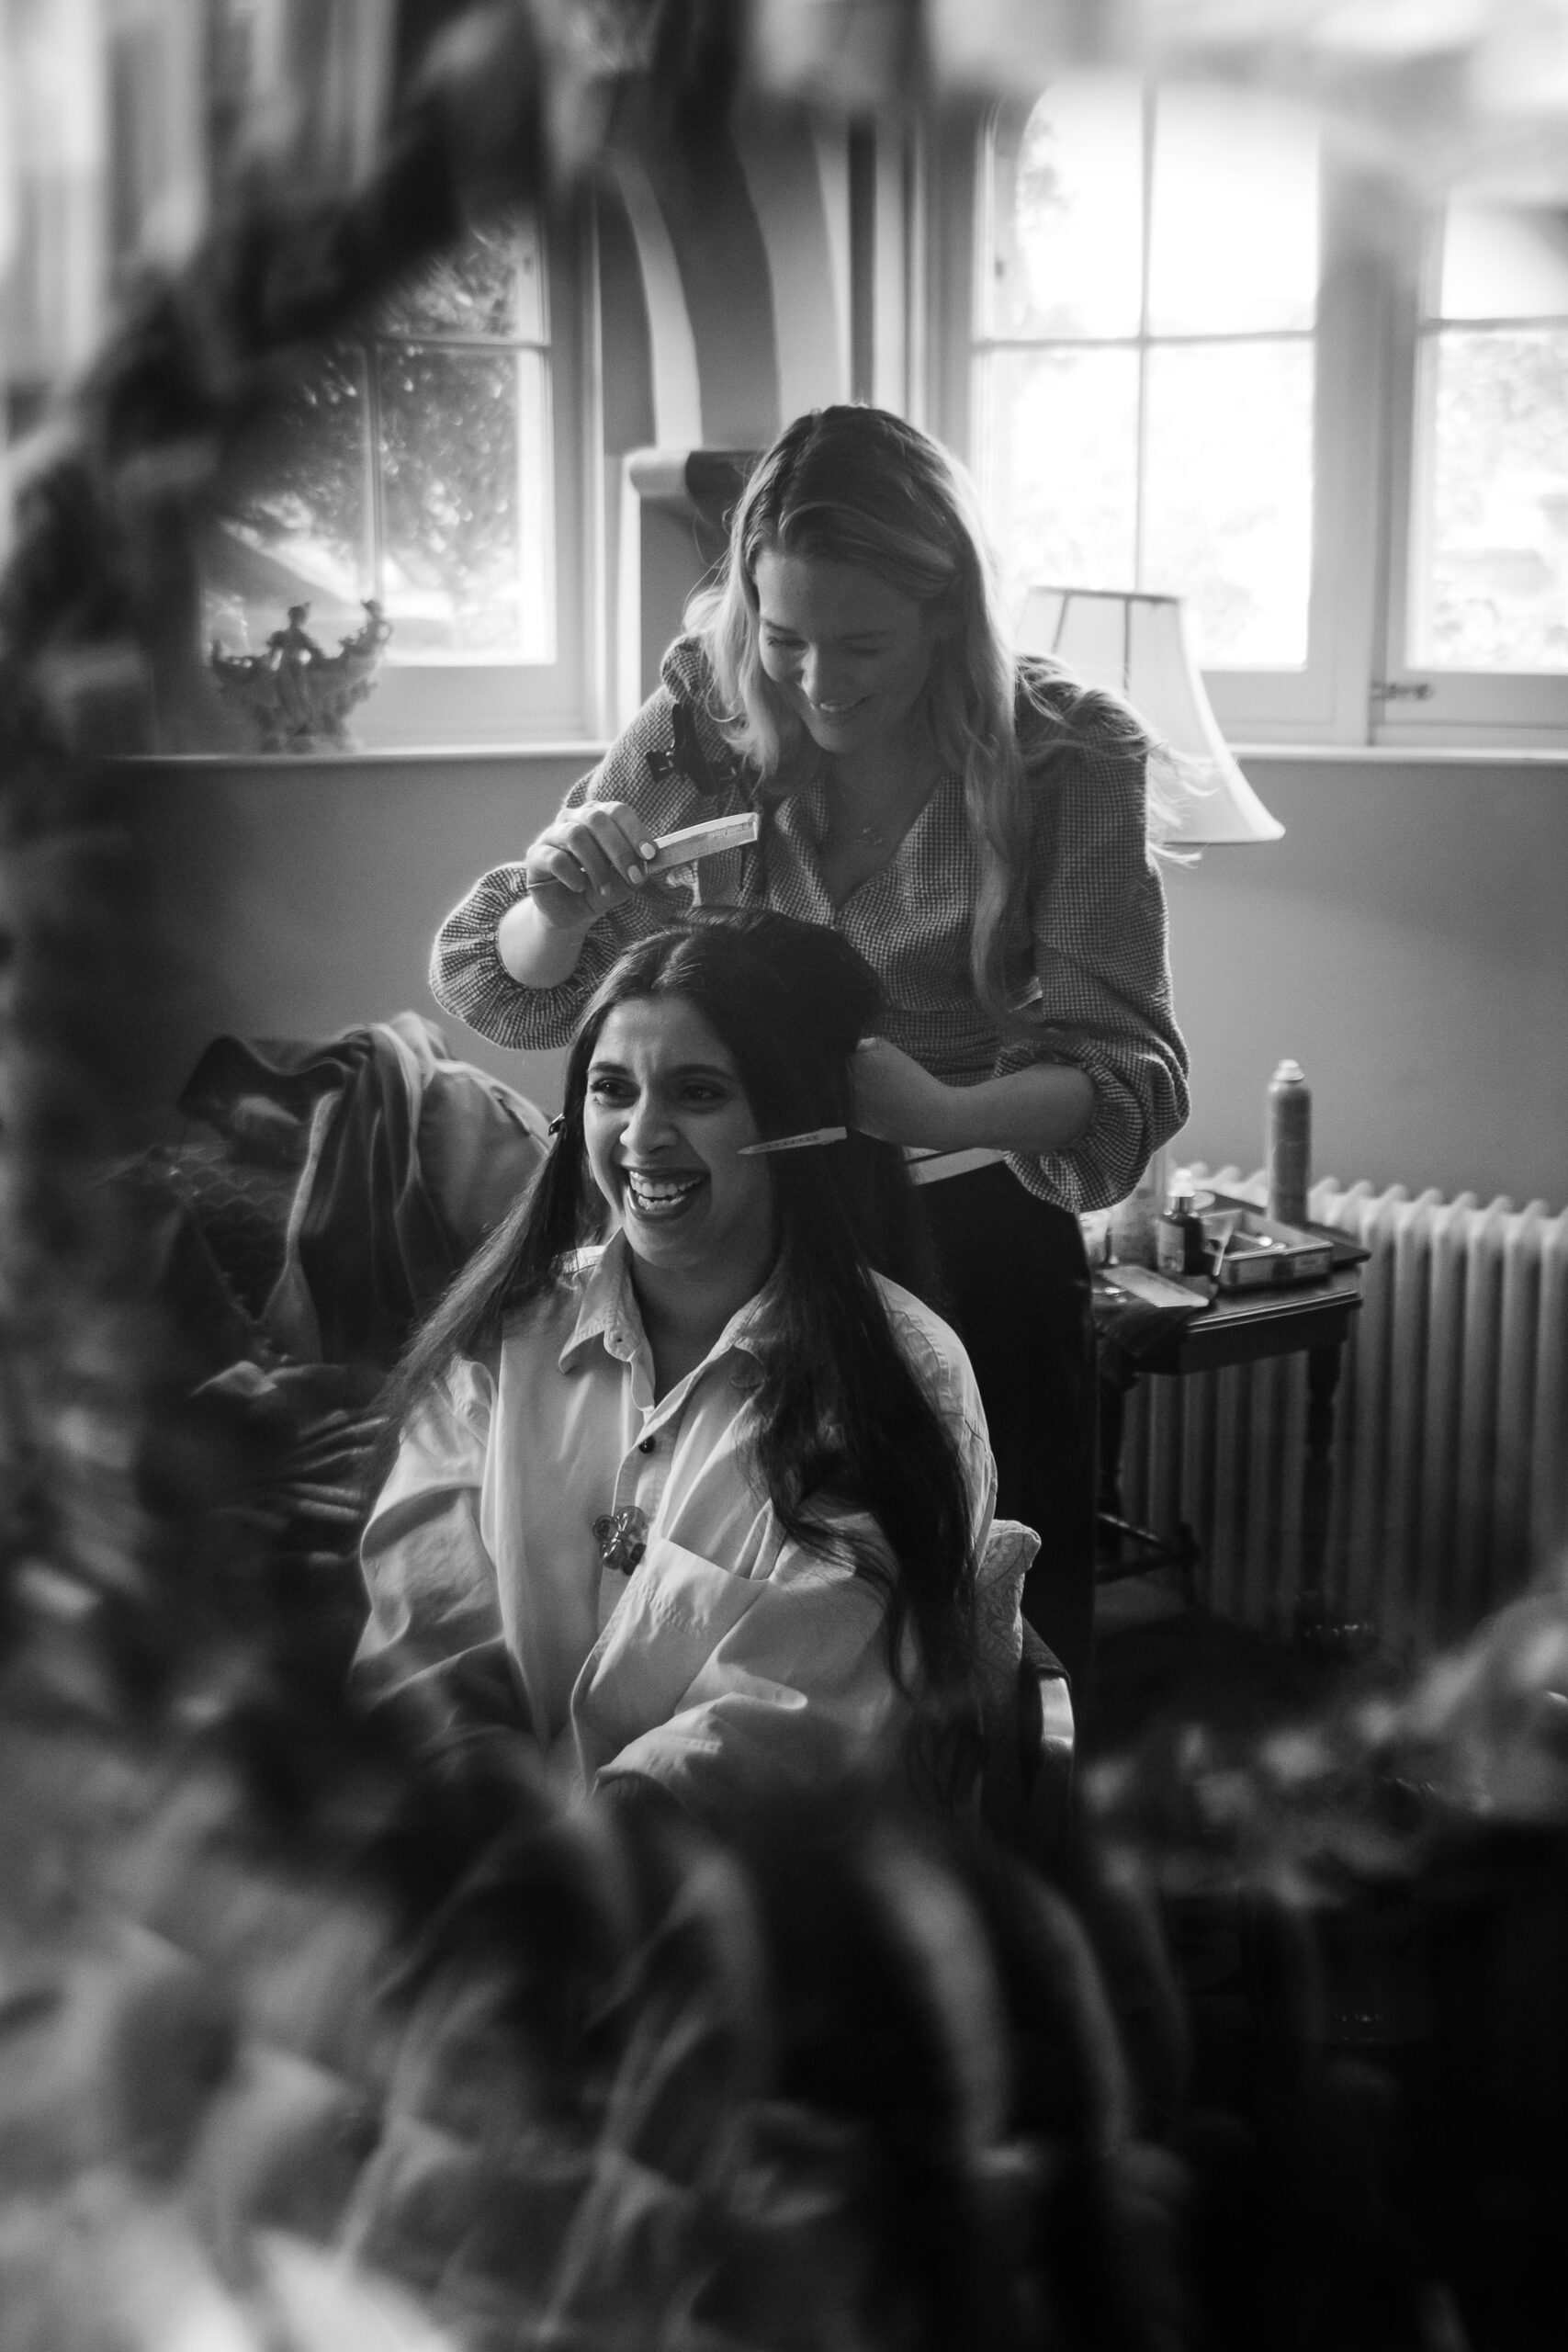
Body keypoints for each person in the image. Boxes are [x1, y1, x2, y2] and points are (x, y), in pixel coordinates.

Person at [430, 404, 1189, 1702]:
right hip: (738, 1259)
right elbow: (507, 988)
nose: (819, 684)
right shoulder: (705, 721)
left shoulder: (1068, 755)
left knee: (973, 1657)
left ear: (946, 614)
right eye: (784, 641)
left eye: (862, 644)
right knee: (722, 1643)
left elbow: (1127, 1078)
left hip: (970, 1259)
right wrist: (557, 898)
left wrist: (931, 1104)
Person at [357, 910, 995, 1816]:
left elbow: (774, 1736)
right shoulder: (504, 1340)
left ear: (801, 1124)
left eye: (698, 1093)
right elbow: (427, 1652)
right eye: (613, 1090)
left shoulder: (901, 1385)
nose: (640, 1137)